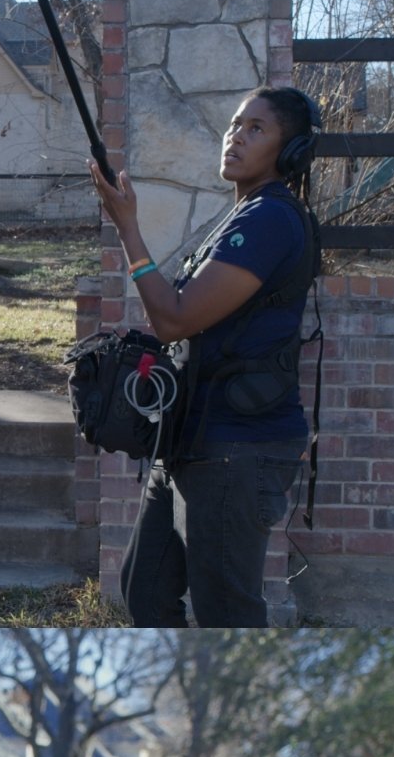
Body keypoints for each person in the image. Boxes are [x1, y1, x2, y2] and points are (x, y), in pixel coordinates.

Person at [90, 86, 322, 627]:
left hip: (238, 447)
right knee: (145, 592)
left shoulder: (270, 220)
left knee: (226, 614)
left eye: (256, 129)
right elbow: (181, 324)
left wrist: (128, 229)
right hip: (191, 439)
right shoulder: (239, 216)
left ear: (290, 151)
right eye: (236, 124)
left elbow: (174, 317)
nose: (236, 136)